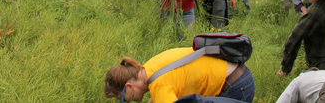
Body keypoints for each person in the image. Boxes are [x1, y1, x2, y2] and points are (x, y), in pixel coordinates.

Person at [104, 50, 255, 103]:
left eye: (123, 99)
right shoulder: (149, 69)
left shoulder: (159, 86)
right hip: (240, 76)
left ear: (129, 87)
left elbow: (162, 91)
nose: (128, 102)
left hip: (234, 87)